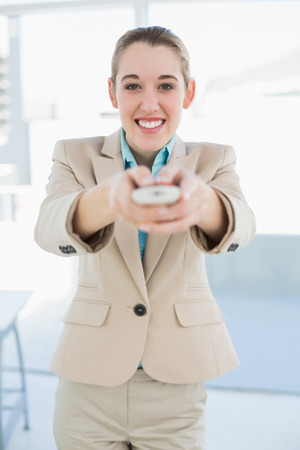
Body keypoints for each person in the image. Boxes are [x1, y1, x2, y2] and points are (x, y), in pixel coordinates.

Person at [34, 26, 255, 450]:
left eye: (165, 85)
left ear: (188, 93)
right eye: (132, 85)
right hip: (88, 383)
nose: (148, 103)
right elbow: (48, 228)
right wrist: (105, 200)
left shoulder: (215, 159)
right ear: (113, 93)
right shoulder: (72, 155)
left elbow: (241, 226)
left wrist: (204, 203)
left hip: (176, 386)